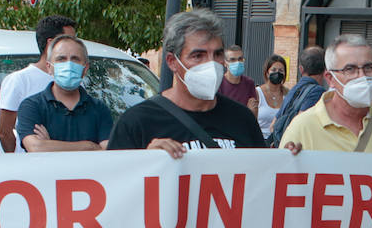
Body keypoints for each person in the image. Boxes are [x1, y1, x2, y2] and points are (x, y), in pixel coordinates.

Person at [107, 9, 265, 155]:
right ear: (172, 62)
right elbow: (117, 181)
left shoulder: (242, 119)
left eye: (217, 54)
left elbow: (264, 176)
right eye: (198, 56)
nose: (211, 64)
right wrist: (146, 161)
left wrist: (286, 159)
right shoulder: (136, 123)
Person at [279, 34, 372, 162]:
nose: (362, 76)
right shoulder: (302, 128)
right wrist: (291, 161)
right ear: (330, 79)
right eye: (350, 69)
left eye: (368, 67)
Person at [16, 35, 114, 152]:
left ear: (85, 68)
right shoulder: (32, 106)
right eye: (61, 59)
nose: (69, 65)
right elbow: (36, 147)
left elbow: (106, 152)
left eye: (75, 59)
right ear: (49, 67)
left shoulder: (99, 109)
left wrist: (50, 144)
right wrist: (89, 146)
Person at [0, 15, 77, 152]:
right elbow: (4, 131)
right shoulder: (19, 80)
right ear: (51, 44)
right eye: (69, 41)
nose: (75, 47)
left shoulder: (76, 80)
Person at [268, 45, 327, 146]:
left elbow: (272, 126)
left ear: (301, 69)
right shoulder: (317, 92)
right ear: (325, 69)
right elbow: (302, 125)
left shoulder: (293, 90)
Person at [256, 54, 288, 140]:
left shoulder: (288, 95)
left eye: (281, 70)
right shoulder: (257, 93)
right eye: (274, 70)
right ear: (267, 73)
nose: (277, 73)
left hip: (279, 142)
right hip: (259, 142)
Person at [219, 44, 258, 113]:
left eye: (240, 59)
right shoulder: (218, 84)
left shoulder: (249, 83)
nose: (237, 62)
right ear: (225, 63)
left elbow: (254, 114)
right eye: (232, 60)